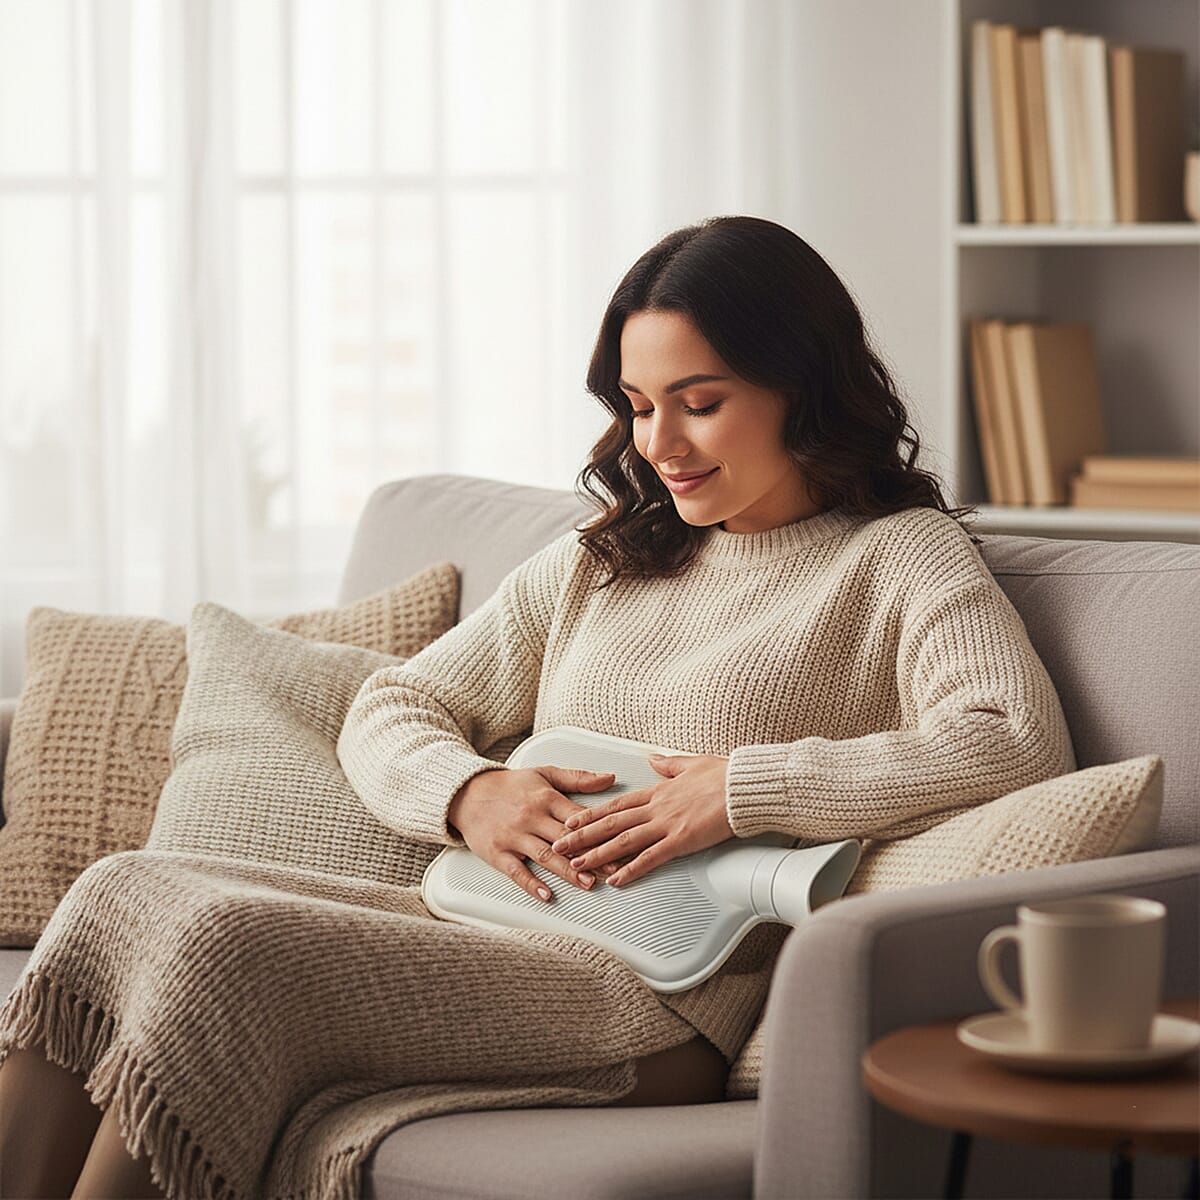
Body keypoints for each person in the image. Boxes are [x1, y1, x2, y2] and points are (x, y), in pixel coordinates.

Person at [0, 215, 1075, 1199]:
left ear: (804, 384)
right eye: (641, 407)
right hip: (481, 923)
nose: (661, 445)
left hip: (650, 1000)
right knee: (121, 889)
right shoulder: (603, 561)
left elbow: (1013, 741)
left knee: (224, 949)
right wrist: (471, 793)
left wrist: (738, 791)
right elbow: (397, 700)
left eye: (700, 404)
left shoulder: (897, 556)